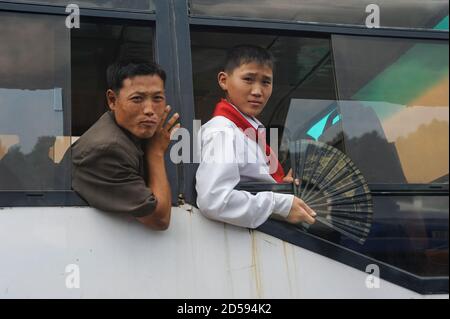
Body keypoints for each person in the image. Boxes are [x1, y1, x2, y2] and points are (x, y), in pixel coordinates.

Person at [195, 45, 316, 229]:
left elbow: (249, 184)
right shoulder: (223, 131)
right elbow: (214, 200)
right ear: (223, 80)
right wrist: (279, 204)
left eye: (266, 82)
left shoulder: (249, 131)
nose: (258, 91)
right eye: (248, 79)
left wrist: (280, 187)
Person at [72, 60, 180, 230]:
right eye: (137, 99)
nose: (149, 110)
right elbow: (159, 218)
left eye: (158, 98)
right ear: (112, 100)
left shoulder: (131, 134)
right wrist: (156, 152)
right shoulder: (108, 150)